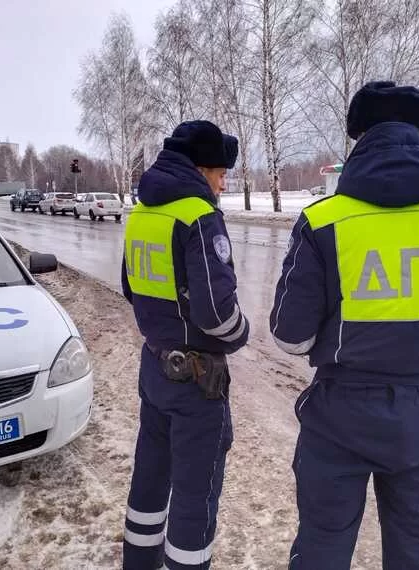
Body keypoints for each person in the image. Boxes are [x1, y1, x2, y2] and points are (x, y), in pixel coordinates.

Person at [270, 81, 419, 569]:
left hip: (339, 416)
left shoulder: (323, 221)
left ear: (360, 139)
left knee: (322, 550)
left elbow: (290, 338)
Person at [121, 120, 250, 570]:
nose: (223, 183)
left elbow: (130, 288)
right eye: (219, 174)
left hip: (155, 367)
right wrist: (241, 334)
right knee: (195, 496)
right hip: (198, 381)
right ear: (200, 169)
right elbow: (217, 312)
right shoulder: (198, 215)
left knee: (150, 479)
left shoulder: (142, 213)